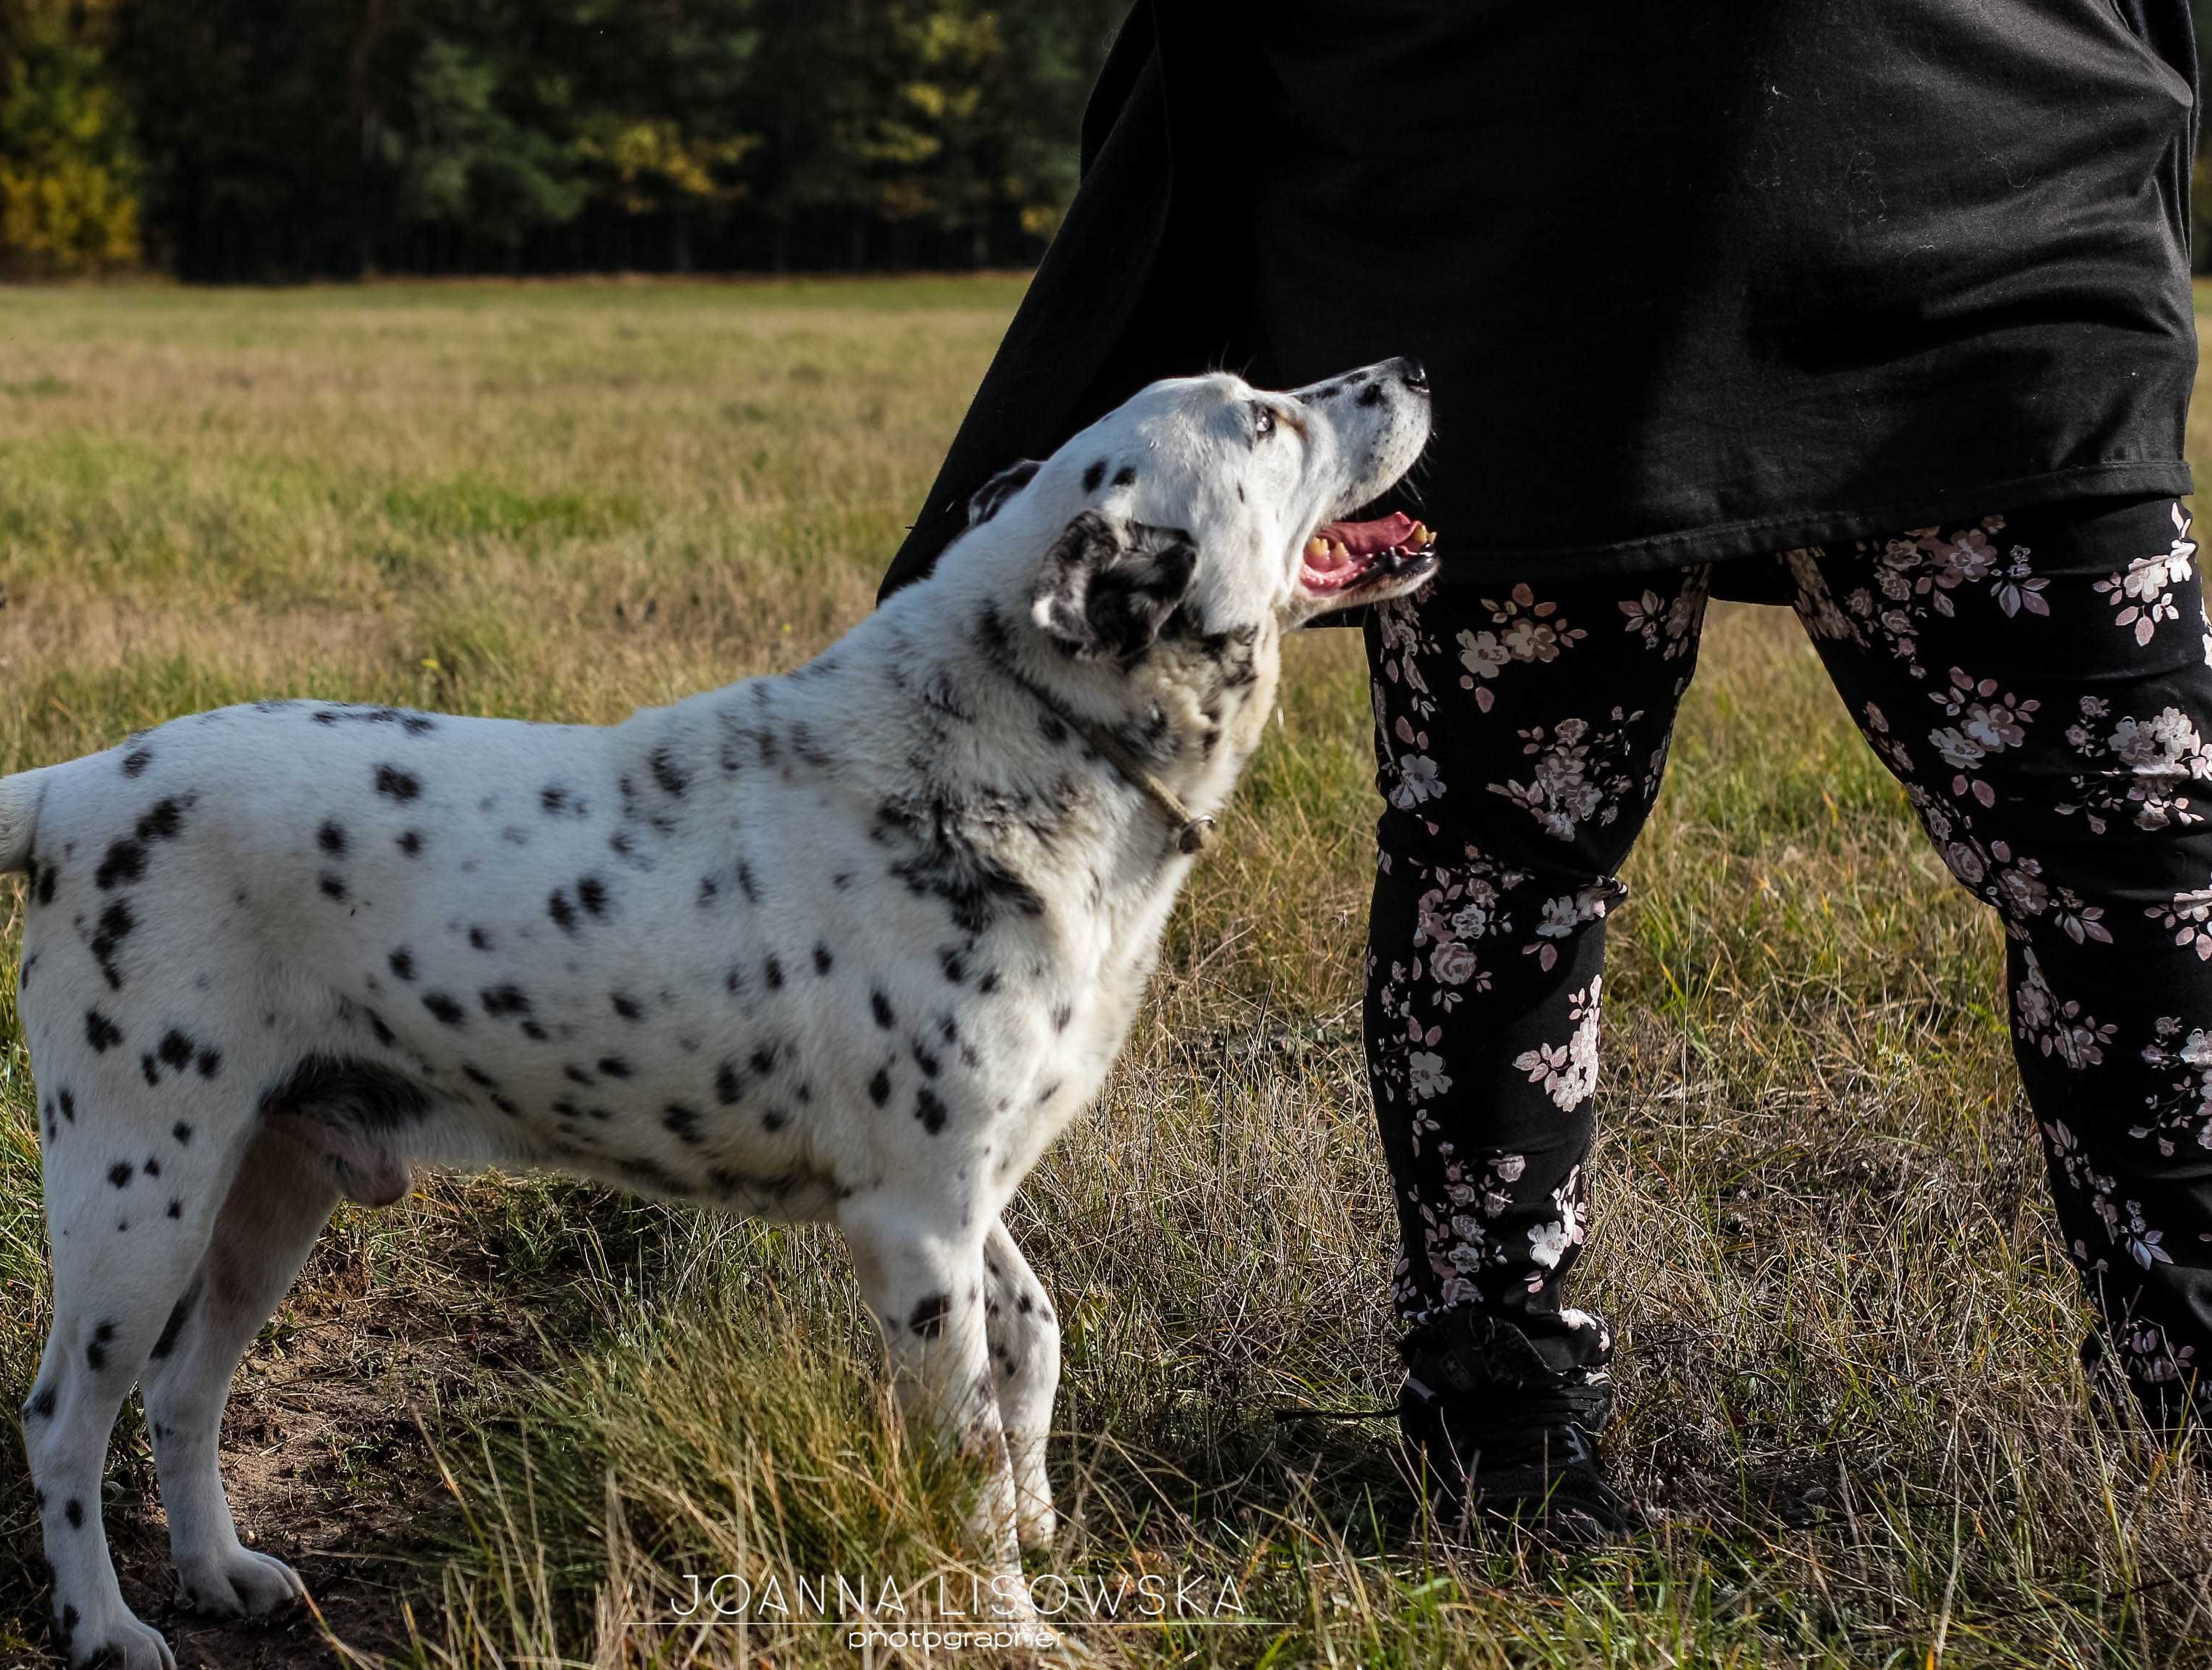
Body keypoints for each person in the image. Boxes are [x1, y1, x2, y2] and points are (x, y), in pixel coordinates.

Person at [878, 1, 2205, 1537]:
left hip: (1997, 209)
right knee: (1500, 875)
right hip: (1514, 233)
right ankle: (1500, 1423)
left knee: (2147, 867)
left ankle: (2196, 1380)